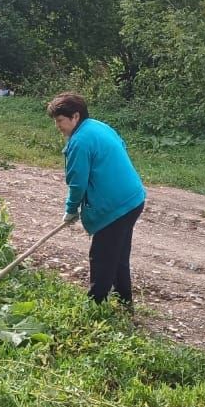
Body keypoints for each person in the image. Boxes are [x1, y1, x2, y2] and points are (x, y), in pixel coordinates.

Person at [47, 92, 146, 308]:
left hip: (116, 206)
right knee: (118, 253)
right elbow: (121, 145)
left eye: (60, 121)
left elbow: (77, 182)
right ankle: (124, 300)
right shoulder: (97, 126)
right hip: (134, 198)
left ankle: (94, 305)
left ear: (75, 116)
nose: (58, 126)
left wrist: (71, 209)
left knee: (102, 256)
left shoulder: (80, 141)